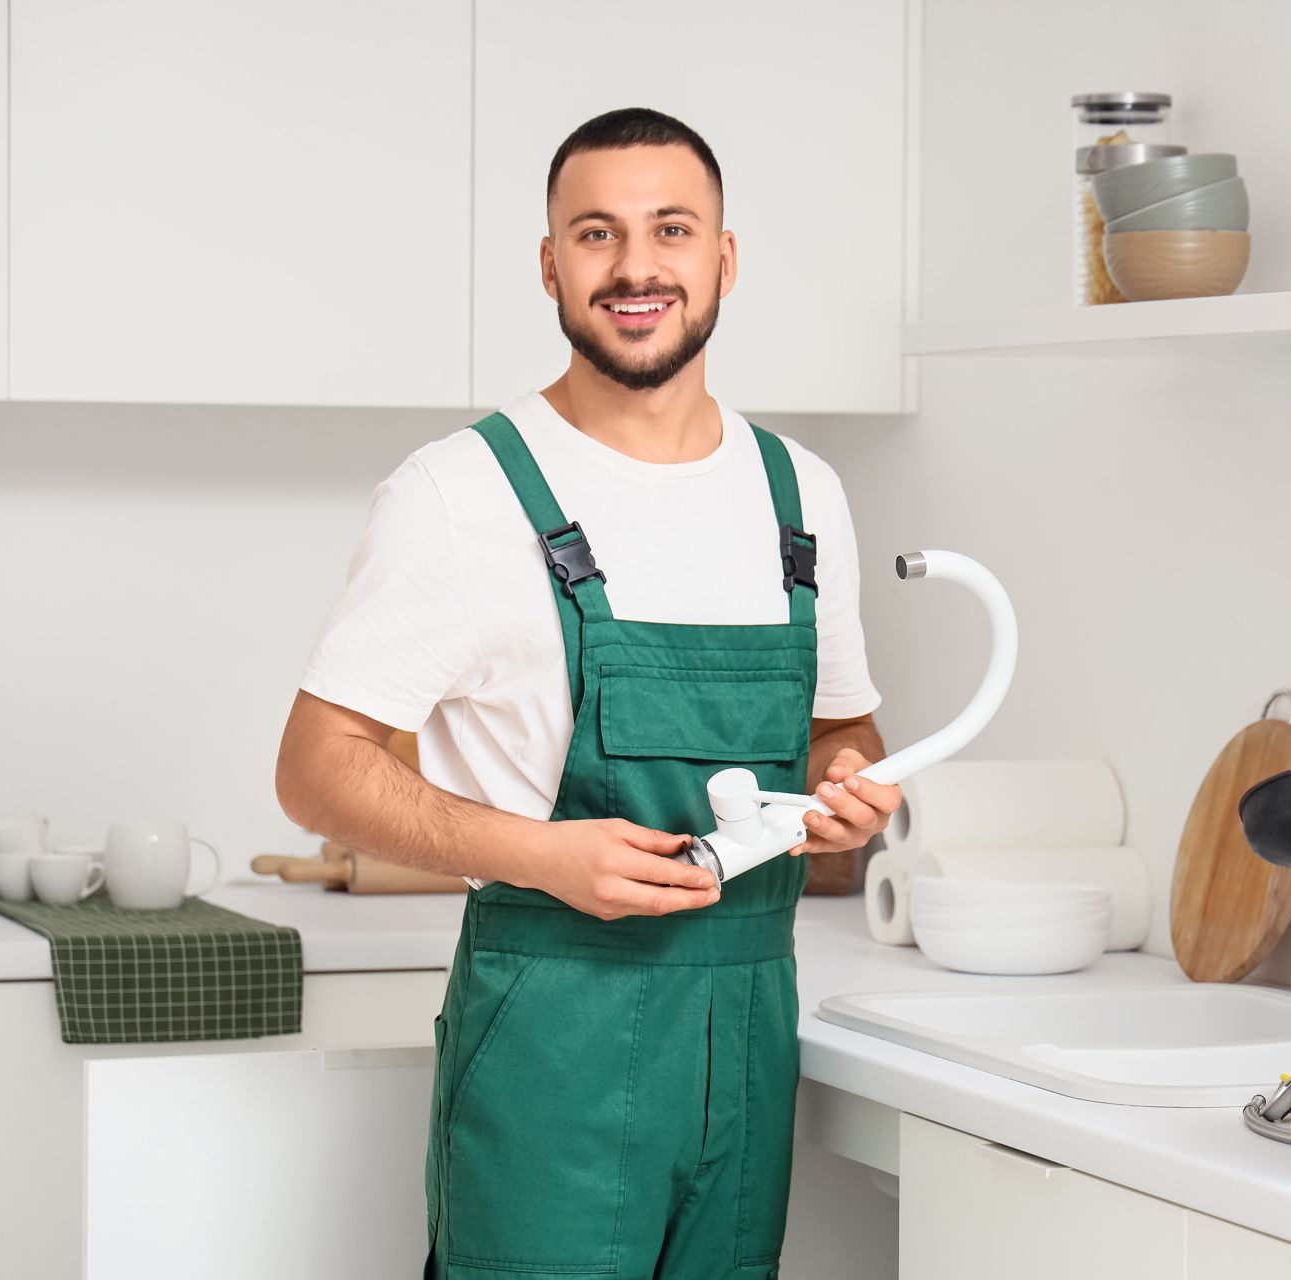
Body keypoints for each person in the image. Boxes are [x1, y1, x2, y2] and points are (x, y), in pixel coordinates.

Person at [274, 106, 900, 1280]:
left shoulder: (800, 492)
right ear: (551, 263)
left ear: (724, 255)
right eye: (597, 233)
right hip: (553, 1026)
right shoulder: (460, 492)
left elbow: (841, 728)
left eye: (671, 228)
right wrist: (541, 853)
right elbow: (316, 765)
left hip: (752, 1021)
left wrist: (850, 787)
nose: (636, 266)